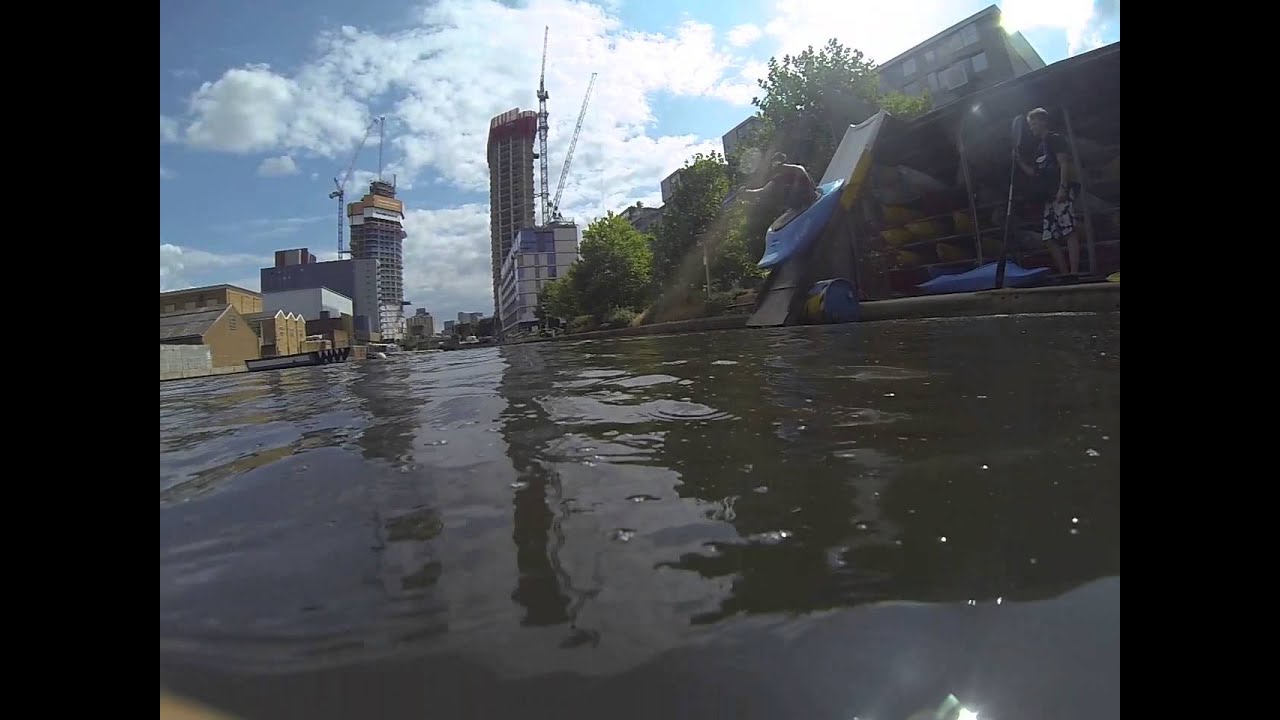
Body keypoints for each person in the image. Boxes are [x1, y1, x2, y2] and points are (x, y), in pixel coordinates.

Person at [1015, 107, 1082, 276]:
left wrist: (1063, 188)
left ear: (1044, 121)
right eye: (1030, 125)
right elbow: (1035, 173)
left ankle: (1073, 273)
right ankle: (1065, 273)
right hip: (1048, 196)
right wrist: (1019, 162)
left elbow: (1064, 163)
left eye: (1034, 123)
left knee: (1069, 231)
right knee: (1048, 237)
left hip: (1060, 192)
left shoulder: (1055, 139)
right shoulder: (1040, 148)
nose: (1032, 128)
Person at [739, 152, 818, 214]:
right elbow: (814, 187)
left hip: (806, 206)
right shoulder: (798, 168)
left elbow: (764, 191)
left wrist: (746, 192)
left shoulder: (783, 175)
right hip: (812, 199)